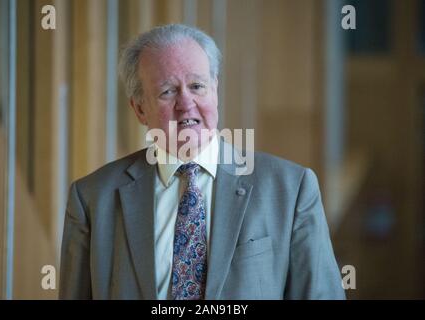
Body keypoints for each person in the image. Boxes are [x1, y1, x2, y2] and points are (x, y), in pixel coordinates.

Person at [59, 24, 345, 300]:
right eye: (167, 91)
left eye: (197, 86)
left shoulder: (291, 190)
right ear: (139, 108)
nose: (186, 104)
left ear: (215, 90)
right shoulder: (92, 199)